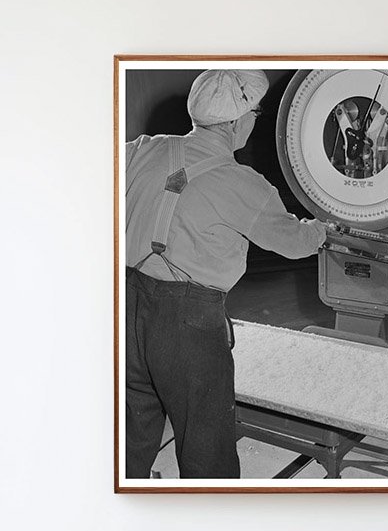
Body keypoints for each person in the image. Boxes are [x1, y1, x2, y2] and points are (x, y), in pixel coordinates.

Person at [124, 69, 326, 479]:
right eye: (255, 113)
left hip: (122, 307)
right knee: (206, 443)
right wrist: (320, 230)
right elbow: (294, 242)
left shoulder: (141, 149)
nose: (254, 120)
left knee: (129, 430)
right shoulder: (244, 184)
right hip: (186, 324)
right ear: (237, 122)